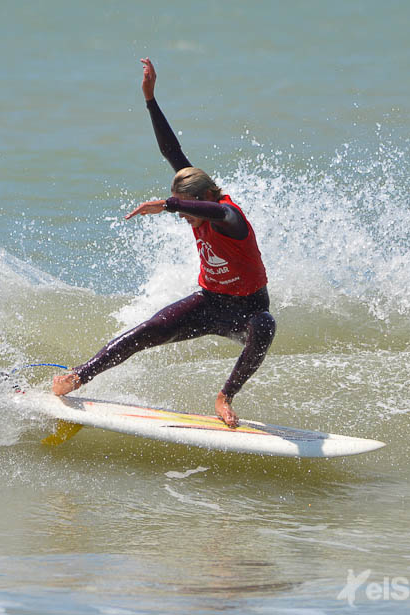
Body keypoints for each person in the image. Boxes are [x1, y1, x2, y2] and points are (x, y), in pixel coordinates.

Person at [52, 58, 276, 428]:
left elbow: (215, 212)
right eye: (181, 209)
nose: (184, 217)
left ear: (203, 197)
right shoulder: (199, 196)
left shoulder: (229, 216)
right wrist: (150, 99)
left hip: (247, 310)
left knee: (265, 327)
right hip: (209, 302)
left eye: (188, 208)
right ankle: (79, 375)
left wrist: (169, 204)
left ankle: (225, 396)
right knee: (147, 331)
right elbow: (172, 153)